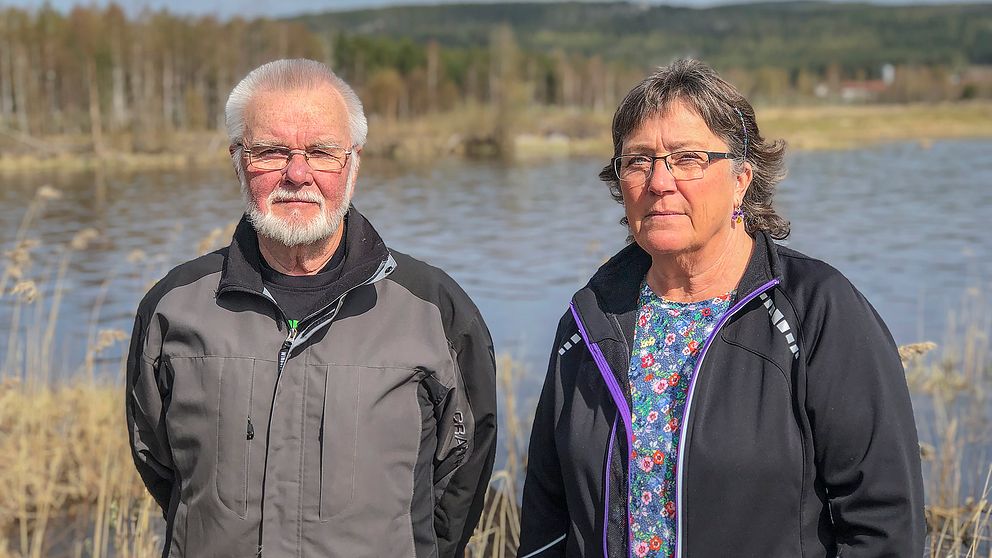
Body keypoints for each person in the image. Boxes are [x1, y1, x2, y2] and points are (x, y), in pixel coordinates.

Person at [517, 58, 924, 558]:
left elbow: (884, 524)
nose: (659, 182)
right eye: (638, 160)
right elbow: (547, 515)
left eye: (687, 158)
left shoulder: (817, 312)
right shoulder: (590, 320)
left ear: (741, 179)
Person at [125, 59, 497, 558]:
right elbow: (160, 465)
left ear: (353, 163)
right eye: (271, 152)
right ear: (238, 159)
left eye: (321, 152)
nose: (297, 174)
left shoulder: (434, 310)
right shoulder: (174, 308)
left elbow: (461, 477)